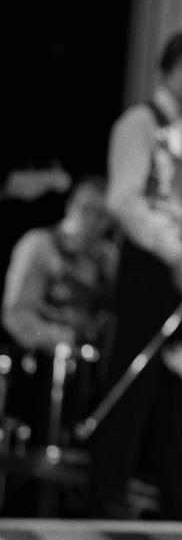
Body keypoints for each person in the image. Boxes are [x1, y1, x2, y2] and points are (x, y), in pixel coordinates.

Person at [87, 31, 182, 520]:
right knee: (133, 382)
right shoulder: (139, 123)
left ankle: (177, 497)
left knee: (178, 388)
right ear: (166, 70)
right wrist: (175, 256)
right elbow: (123, 200)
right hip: (150, 267)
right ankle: (107, 493)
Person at [1, 176, 116, 455]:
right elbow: (17, 316)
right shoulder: (40, 245)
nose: (92, 221)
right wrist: (59, 339)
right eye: (86, 209)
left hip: (88, 387)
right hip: (38, 377)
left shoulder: (108, 259)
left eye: (102, 215)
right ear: (70, 205)